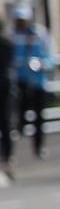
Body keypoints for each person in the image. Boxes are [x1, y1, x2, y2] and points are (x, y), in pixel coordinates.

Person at [11, 5, 54, 160]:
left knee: (38, 117)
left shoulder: (40, 34)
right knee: (18, 114)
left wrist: (41, 64)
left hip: (38, 82)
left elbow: (50, 58)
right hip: (20, 82)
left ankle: (39, 147)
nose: (21, 23)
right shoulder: (13, 36)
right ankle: (12, 149)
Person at [0, 17, 13, 175]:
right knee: (5, 120)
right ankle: (7, 153)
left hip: (3, 85)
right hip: (5, 84)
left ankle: (7, 153)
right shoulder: (8, 43)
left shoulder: (7, 44)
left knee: (4, 120)